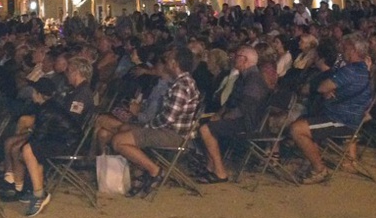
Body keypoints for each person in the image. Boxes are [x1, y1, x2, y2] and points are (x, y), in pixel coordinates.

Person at [111, 46, 200, 198]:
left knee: (118, 141)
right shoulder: (183, 82)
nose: (165, 62)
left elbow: (168, 119)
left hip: (172, 134)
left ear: (174, 63)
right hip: (169, 131)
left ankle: (154, 171)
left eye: (169, 59)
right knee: (125, 131)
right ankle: (140, 174)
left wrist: (146, 126)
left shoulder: (181, 86)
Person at [289, 34, 373, 184]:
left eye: (345, 48)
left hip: (341, 120)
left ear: (353, 50)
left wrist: (328, 89)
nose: (342, 51)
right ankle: (312, 163)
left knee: (297, 129)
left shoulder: (351, 71)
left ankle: (319, 169)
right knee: (305, 123)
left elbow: (322, 87)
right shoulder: (360, 70)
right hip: (337, 115)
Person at [197, 46, 270, 183]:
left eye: (237, 56)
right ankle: (210, 166)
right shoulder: (244, 78)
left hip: (248, 122)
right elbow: (230, 101)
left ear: (245, 60)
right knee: (206, 125)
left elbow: (245, 108)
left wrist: (224, 117)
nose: (234, 59)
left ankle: (220, 172)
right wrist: (219, 114)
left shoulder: (254, 80)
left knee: (206, 129)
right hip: (241, 118)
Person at [17, 79, 82, 216]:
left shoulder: (47, 110)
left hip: (68, 144)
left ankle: (39, 194)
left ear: (39, 94)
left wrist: (23, 146)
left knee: (28, 150)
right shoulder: (48, 106)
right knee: (31, 151)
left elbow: (40, 136)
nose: (32, 94)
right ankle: (37, 190)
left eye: (34, 92)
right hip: (64, 141)